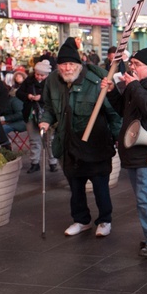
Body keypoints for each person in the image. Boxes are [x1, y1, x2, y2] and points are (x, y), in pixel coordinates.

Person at [39, 38, 121, 237]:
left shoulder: (97, 78)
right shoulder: (52, 80)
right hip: (68, 141)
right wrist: (45, 120)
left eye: (71, 64)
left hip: (95, 141)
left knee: (100, 184)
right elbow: (49, 107)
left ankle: (104, 220)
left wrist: (119, 137)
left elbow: (113, 112)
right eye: (63, 64)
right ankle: (81, 220)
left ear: (79, 64)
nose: (67, 68)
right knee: (75, 186)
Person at [102, 48, 147, 258]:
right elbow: (124, 109)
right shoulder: (139, 85)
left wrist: (133, 86)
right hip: (134, 149)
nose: (131, 68)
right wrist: (113, 92)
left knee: (145, 196)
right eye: (131, 63)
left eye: (136, 64)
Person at [16, 60, 58, 173]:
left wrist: (41, 98)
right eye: (37, 74)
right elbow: (18, 93)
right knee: (34, 140)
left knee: (50, 140)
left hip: (47, 114)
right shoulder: (28, 81)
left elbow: (56, 97)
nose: (39, 77)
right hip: (31, 114)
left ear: (47, 74)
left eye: (42, 75)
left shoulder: (53, 82)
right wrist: (28, 96)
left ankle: (53, 162)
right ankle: (35, 163)